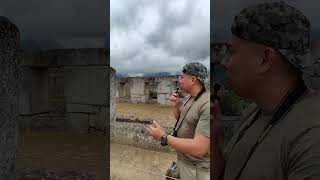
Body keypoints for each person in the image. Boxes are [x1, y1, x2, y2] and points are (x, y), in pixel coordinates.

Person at [219, 1, 320, 180]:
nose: (224, 62)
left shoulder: (310, 138)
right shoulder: (255, 111)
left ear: (265, 59)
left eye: (232, 52)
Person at [149, 62, 210, 180]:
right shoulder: (190, 97)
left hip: (197, 170)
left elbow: (200, 148)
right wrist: (175, 107)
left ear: (193, 79)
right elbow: (185, 122)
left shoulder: (207, 105)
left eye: (182, 77)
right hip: (184, 161)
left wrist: (164, 137)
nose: (179, 80)